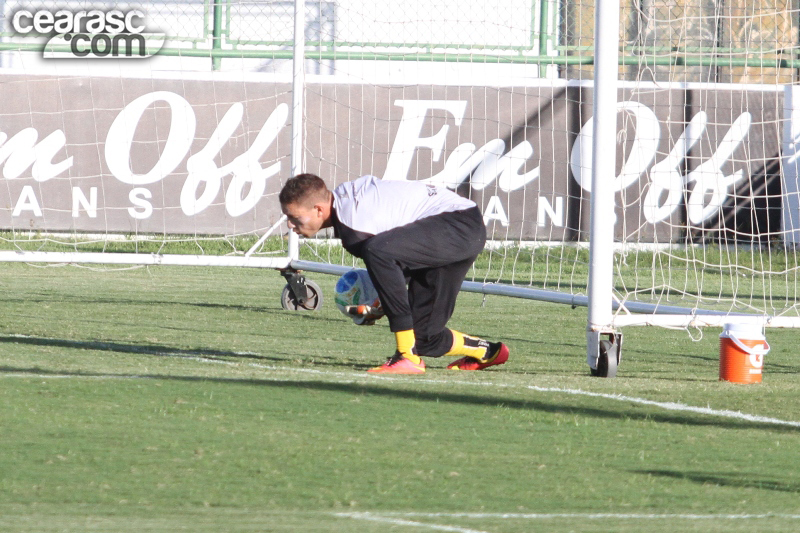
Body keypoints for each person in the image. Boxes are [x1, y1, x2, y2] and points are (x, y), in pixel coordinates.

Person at [279, 173, 509, 374]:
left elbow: (387, 259)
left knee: (377, 252)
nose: (290, 224)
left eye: (294, 217)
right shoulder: (345, 207)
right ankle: (489, 352)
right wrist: (379, 303)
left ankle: (406, 356)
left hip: (456, 223)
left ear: (319, 210)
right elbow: (398, 264)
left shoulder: (354, 225)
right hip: (450, 229)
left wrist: (378, 303)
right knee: (424, 337)